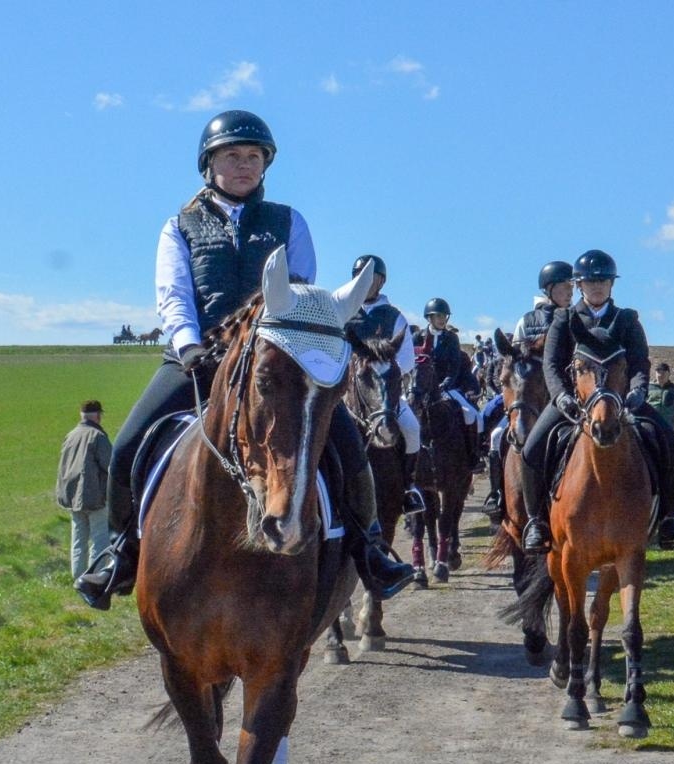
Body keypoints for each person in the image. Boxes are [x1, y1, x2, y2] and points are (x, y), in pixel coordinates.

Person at [74, 109, 410, 609]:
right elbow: (173, 295)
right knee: (126, 447)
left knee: (346, 443)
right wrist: (189, 346)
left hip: (274, 362)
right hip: (196, 358)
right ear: (209, 164)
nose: (244, 165)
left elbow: (299, 292)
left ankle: (369, 548)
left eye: (253, 157)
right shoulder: (180, 226)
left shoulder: (288, 221)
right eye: (232, 155)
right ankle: (122, 555)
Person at [518, 250, 674, 554]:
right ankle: (536, 523)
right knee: (531, 449)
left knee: (673, 447)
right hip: (572, 402)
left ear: (612, 285)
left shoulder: (626, 319)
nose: (597, 287)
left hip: (620, 401)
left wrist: (637, 391)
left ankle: (668, 519)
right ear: (579, 285)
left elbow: (640, 362)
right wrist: (561, 397)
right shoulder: (564, 318)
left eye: (604, 281)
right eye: (590, 282)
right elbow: (552, 365)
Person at [483, 260, 573, 516]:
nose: (570, 292)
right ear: (549, 288)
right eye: (565, 287)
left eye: (572, 287)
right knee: (497, 435)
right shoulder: (528, 320)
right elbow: (515, 359)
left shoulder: (575, 317)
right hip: (530, 394)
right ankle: (497, 495)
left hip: (565, 393)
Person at [344, 254, 426, 517]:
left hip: (383, 391)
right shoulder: (344, 311)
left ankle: (407, 488)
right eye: (362, 278)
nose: (367, 283)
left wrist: (383, 371)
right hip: (347, 390)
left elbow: (406, 359)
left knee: (412, 429)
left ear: (381, 282)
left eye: (373, 279)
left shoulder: (394, 316)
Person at [416, 298, 481, 462]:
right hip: (419, 387)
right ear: (429, 318)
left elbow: (454, 366)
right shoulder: (417, 337)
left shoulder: (451, 338)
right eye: (438, 316)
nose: (442, 319)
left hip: (446, 387)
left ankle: (473, 455)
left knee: (472, 415)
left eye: (444, 316)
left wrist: (444, 385)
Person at [56, 399, 113, 580]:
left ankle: (77, 577)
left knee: (78, 539)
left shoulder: (70, 435)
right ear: (97, 415)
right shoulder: (98, 436)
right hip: (95, 497)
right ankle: (93, 578)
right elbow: (110, 466)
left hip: (72, 497)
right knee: (99, 538)